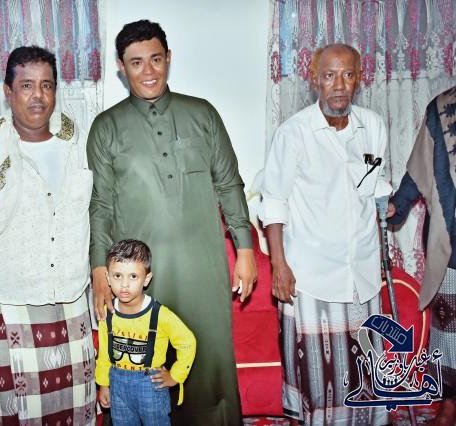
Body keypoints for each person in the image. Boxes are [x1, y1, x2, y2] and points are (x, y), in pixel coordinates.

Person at [86, 19, 257, 424]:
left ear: (169, 59)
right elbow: (101, 205)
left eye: (156, 59)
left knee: (208, 358)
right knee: (142, 363)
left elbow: (229, 184)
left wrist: (245, 250)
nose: (148, 71)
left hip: (204, 267)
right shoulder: (106, 127)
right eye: (136, 62)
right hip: (138, 277)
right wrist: (98, 268)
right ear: (121, 67)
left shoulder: (202, 114)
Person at [0, 46, 96, 425]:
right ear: (8, 91)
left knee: (75, 402)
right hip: (12, 295)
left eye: (46, 85)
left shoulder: (77, 144)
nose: (38, 95)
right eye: (27, 85)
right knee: (16, 406)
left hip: (70, 293)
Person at [259, 44, 390, 425]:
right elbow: (274, 201)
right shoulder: (294, 132)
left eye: (348, 75)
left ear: (359, 78)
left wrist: (389, 200)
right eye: (329, 76)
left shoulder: (373, 126)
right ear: (314, 79)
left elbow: (372, 184)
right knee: (319, 381)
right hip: (312, 274)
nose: (339, 85)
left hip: (361, 273)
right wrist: (279, 266)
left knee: (366, 373)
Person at [388, 86, 456, 426]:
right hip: (450, 239)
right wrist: (396, 205)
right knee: (448, 328)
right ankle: (450, 406)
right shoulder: (442, 108)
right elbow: (418, 170)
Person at [96, 239, 196, 426]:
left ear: (146, 279)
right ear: (108, 277)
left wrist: (175, 376)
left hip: (150, 384)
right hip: (117, 385)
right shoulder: (107, 313)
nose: (124, 284)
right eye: (117, 276)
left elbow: (187, 342)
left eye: (133, 276)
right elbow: (104, 353)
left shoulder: (160, 314)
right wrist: (103, 384)